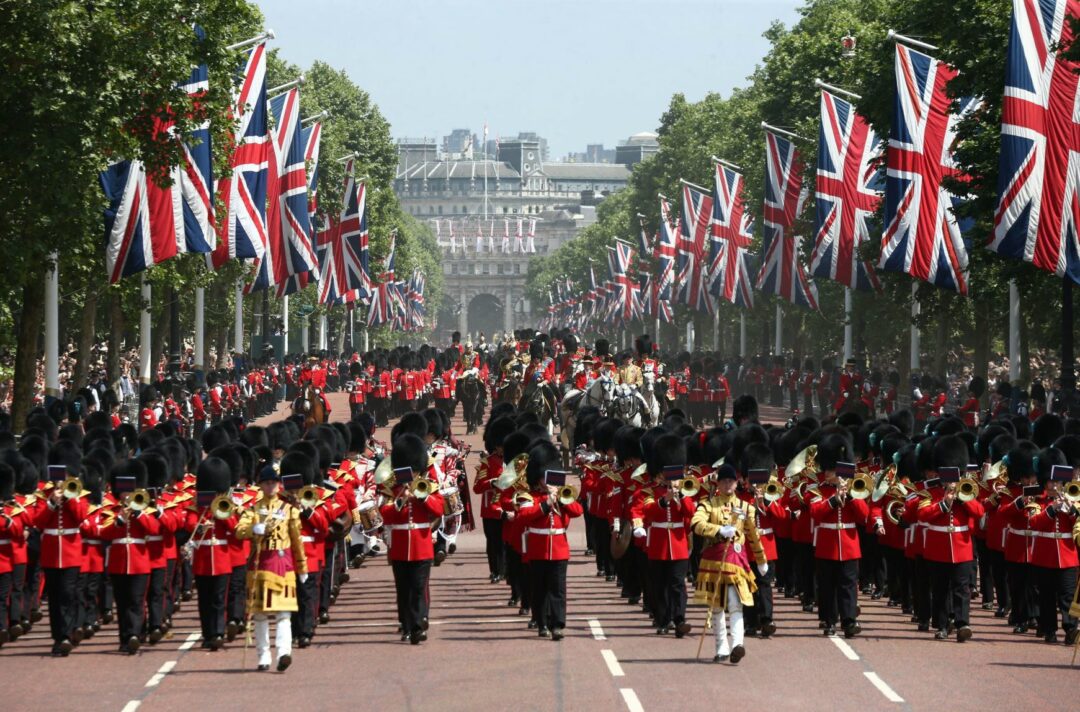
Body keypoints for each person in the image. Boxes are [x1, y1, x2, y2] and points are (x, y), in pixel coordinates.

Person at [235, 465, 308, 672]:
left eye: (274, 483)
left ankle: (284, 652)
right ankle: (264, 654)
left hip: (282, 563)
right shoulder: (253, 510)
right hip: (260, 562)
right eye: (267, 483)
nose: (271, 486)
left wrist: (302, 566)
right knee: (260, 614)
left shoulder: (289, 510)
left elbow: (297, 541)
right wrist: (253, 529)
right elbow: (239, 531)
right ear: (261, 485)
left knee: (284, 613)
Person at [691, 462, 766, 664]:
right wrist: (718, 530)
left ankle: (737, 645)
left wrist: (761, 559)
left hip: (736, 560)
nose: (727, 485)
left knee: (735, 603)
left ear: (736, 483)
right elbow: (696, 524)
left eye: (730, 481)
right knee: (716, 606)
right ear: (717, 483)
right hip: (714, 560)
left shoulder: (746, 507)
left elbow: (753, 535)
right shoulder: (708, 504)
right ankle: (721, 647)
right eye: (723, 481)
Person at [380, 433, 444, 645]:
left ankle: (418, 626)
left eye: (415, 470)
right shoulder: (393, 489)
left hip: (421, 545)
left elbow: (439, 508)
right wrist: (401, 499)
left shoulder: (427, 487)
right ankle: (406, 626)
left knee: (418, 588)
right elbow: (385, 513)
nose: (412, 474)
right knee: (403, 589)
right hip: (399, 546)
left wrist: (422, 497)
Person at [919, 435, 983, 642]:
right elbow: (923, 514)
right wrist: (944, 504)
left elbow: (979, 511)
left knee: (962, 588)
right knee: (940, 589)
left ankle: (962, 623)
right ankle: (941, 625)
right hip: (938, 547)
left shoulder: (967, 490)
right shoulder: (931, 491)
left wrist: (963, 500)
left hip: (962, 547)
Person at [516, 440, 582, 641]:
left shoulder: (562, 494)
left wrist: (561, 499)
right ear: (538, 478)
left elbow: (578, 511)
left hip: (559, 549)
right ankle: (542, 623)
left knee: (558, 590)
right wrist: (546, 504)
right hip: (538, 548)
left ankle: (557, 625)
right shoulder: (529, 496)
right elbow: (523, 517)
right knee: (540, 589)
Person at [808, 433, 868, 638]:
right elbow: (815, 513)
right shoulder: (818, 490)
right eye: (827, 469)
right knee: (827, 586)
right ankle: (828, 619)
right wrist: (833, 500)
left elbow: (864, 516)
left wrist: (850, 495)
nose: (827, 473)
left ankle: (849, 620)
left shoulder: (854, 489)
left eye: (831, 470)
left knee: (848, 585)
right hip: (827, 543)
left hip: (849, 544)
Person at [634, 433, 694, 637]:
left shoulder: (684, 491)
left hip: (678, 543)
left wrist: (680, 497)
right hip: (658, 543)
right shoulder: (648, 492)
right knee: (659, 585)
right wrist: (664, 500)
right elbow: (647, 513)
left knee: (678, 584)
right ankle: (663, 619)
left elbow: (691, 514)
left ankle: (679, 619)